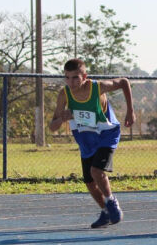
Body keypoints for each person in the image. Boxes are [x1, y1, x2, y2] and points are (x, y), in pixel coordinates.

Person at [49, 58, 136, 228]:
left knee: (96, 171)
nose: (70, 82)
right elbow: (52, 126)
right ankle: (105, 211)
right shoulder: (64, 94)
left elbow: (124, 82)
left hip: (106, 134)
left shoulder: (97, 87)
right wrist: (61, 118)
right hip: (86, 138)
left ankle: (112, 202)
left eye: (75, 77)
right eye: (66, 78)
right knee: (89, 182)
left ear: (84, 76)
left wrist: (130, 111)